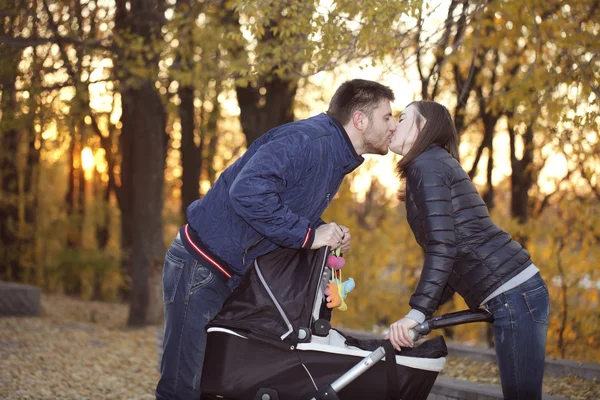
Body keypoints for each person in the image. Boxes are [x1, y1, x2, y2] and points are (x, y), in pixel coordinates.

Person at [156, 79, 396, 400]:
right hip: (200, 266)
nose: (394, 126)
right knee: (180, 388)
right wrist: (309, 235)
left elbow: (285, 206)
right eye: (388, 117)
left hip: (225, 273)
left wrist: (327, 232)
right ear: (360, 120)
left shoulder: (332, 155)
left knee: (208, 384)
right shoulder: (309, 141)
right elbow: (248, 191)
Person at [385, 100, 550, 400]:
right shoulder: (431, 164)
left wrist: (417, 312)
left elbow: (443, 246)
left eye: (403, 117)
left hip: (514, 293)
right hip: (516, 292)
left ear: (423, 127)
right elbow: (452, 255)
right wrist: (420, 318)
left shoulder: (427, 164)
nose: (394, 124)